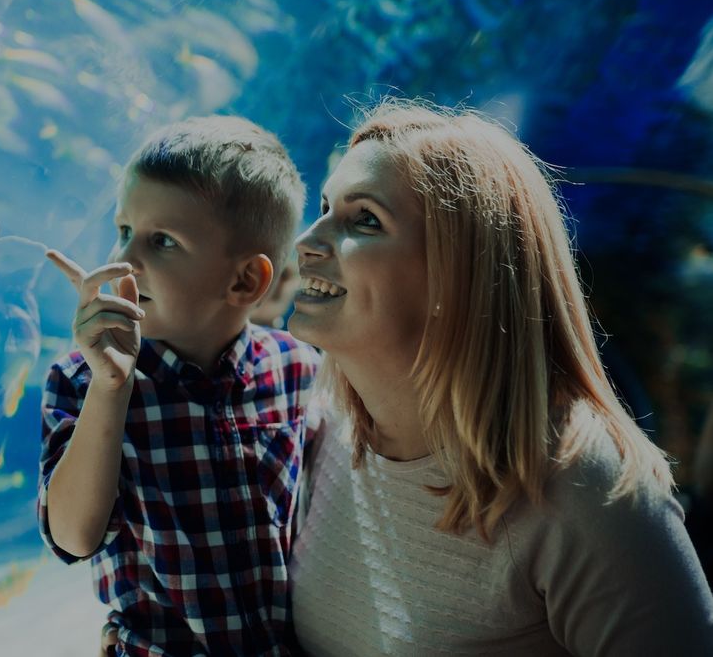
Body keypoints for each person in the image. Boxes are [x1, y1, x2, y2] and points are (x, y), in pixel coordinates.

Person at [283, 98, 713, 654]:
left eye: (364, 219)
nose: (307, 240)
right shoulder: (325, 431)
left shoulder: (590, 495)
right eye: (323, 206)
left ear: (460, 273)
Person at [40, 115, 321, 656]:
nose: (123, 261)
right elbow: (74, 537)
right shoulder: (80, 378)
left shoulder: (299, 370)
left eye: (162, 241)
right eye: (124, 231)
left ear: (245, 281)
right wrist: (111, 388)